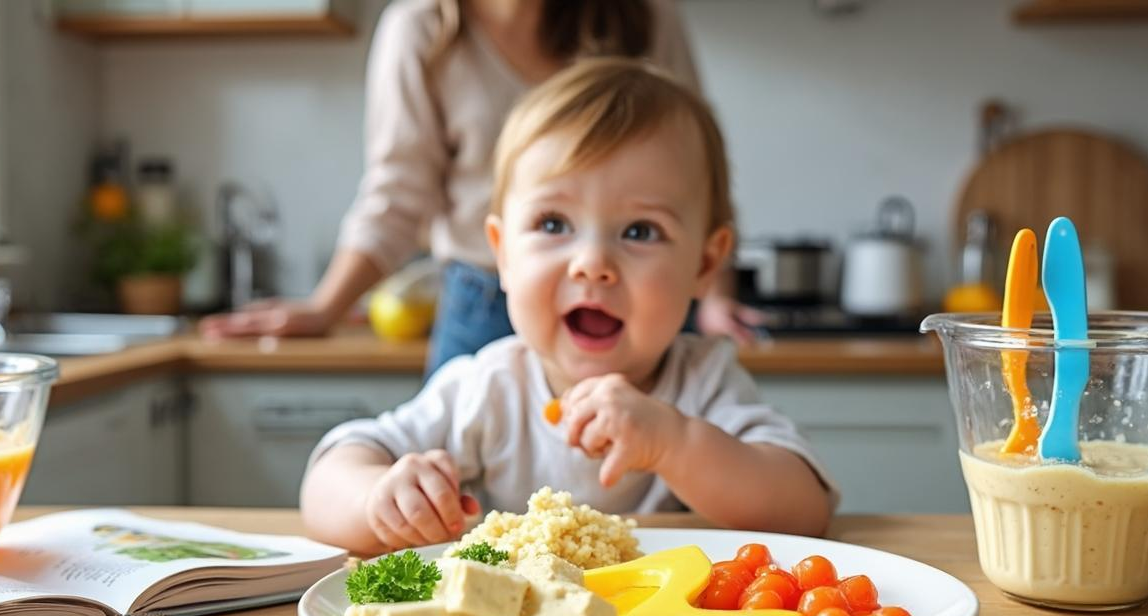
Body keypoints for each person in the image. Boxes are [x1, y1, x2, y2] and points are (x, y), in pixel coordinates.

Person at [301, 59, 836, 554]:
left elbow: (804, 507)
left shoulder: (704, 384)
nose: (593, 264)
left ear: (704, 264)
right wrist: (379, 499)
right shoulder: (489, 388)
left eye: (640, 231)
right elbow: (330, 473)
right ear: (503, 254)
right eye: (553, 224)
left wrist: (675, 443)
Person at [198, 0, 764, 376]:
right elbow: (398, 194)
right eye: (553, 222)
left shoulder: (643, 17)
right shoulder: (421, 29)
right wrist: (325, 307)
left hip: (641, 298)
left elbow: (696, 170)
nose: (587, 262)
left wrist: (714, 296)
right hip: (482, 305)